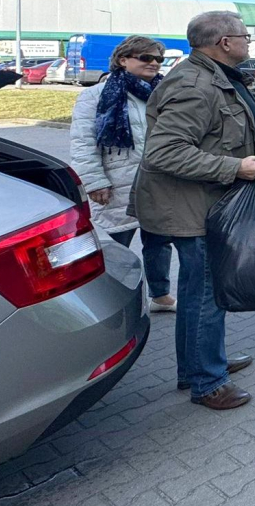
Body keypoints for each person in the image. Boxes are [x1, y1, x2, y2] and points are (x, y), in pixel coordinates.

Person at [136, 11, 255, 411]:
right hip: (191, 209)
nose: (248, 42)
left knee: (197, 292)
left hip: (203, 204)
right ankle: (208, 382)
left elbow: (212, 134)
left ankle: (199, 365)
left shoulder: (214, 77)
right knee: (206, 295)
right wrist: (234, 167)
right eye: (245, 36)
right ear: (224, 42)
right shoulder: (195, 84)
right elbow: (164, 151)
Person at [69, 36, 176, 312]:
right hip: (116, 184)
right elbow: (83, 143)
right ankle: (112, 302)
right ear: (122, 60)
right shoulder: (96, 95)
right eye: (146, 58)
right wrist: (94, 181)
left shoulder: (163, 92)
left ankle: (161, 295)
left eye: (159, 59)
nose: (154, 63)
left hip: (159, 180)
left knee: (159, 242)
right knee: (116, 247)